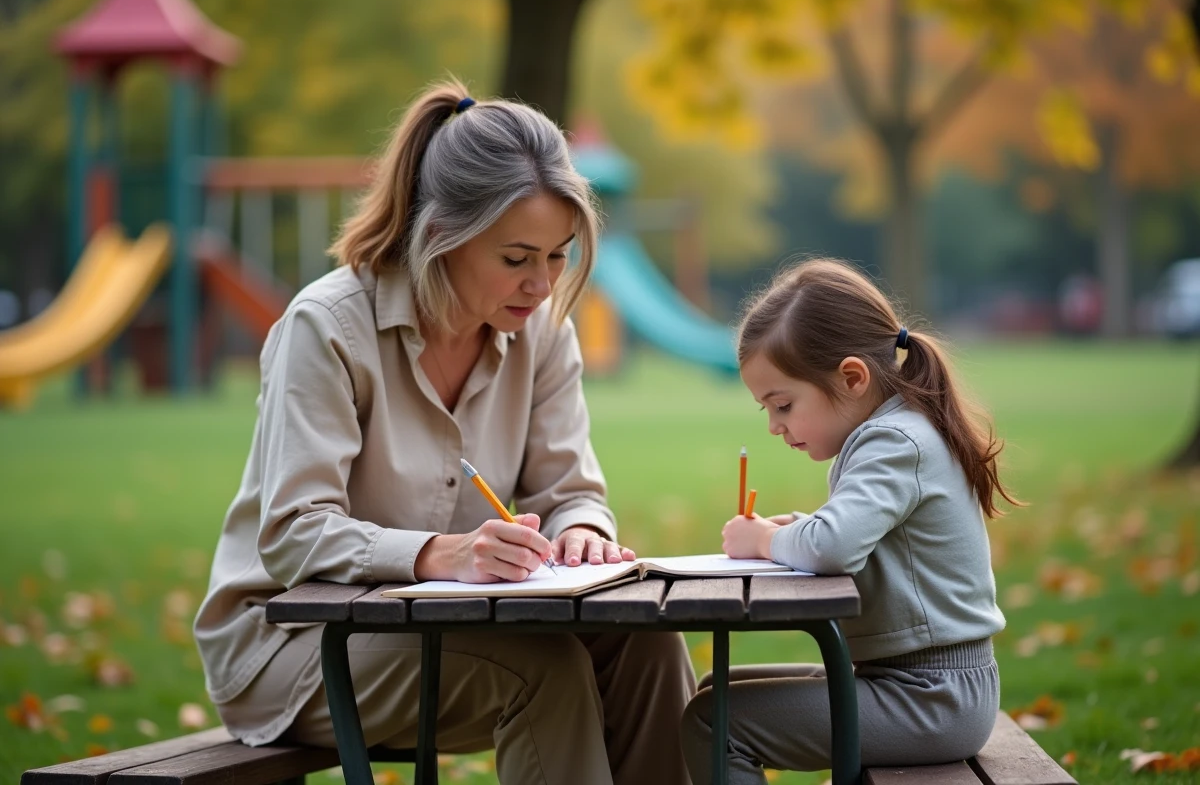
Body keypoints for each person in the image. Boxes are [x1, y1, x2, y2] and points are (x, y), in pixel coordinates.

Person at [193, 79, 695, 785]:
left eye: (559, 256)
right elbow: (293, 532)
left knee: (649, 645)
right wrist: (437, 554)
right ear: (441, 236)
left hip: (452, 629)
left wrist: (585, 530)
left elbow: (571, 490)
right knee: (537, 670)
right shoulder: (328, 327)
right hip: (291, 644)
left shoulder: (542, 335)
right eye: (516, 259)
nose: (542, 285)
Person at [681, 258, 1019, 783]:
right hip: (921, 687)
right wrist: (791, 526)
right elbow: (865, 536)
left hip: (934, 699)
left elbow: (833, 546)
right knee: (713, 692)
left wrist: (767, 539)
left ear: (852, 377)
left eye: (783, 405)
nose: (774, 426)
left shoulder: (894, 442)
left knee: (714, 721)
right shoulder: (896, 431)